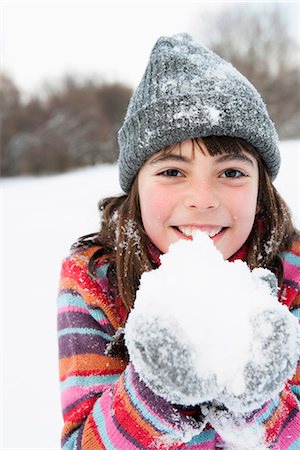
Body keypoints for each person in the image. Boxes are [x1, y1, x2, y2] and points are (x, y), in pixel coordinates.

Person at [57, 33, 300, 449]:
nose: (203, 200)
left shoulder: (292, 272)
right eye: (172, 171)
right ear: (136, 186)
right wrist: (157, 389)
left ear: (261, 187)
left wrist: (253, 391)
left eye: (231, 172)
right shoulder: (95, 279)